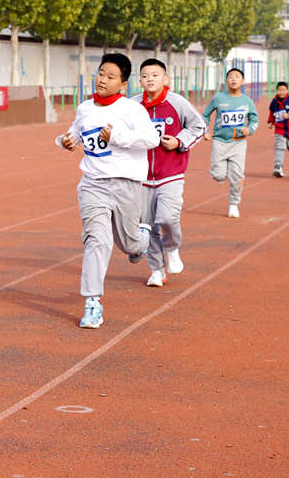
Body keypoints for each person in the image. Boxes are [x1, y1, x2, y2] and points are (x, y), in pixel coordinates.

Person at [57, 53, 160, 328]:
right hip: (92, 183)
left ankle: (142, 238)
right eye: (101, 73)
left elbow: (152, 138)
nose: (103, 79)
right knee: (96, 239)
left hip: (126, 184)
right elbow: (75, 133)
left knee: (127, 243)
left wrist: (117, 137)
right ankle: (93, 302)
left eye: (110, 76)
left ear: (123, 84)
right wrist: (66, 141)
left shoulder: (132, 109)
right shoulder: (85, 108)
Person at [131, 59, 206, 288]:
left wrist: (179, 141)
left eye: (155, 75)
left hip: (170, 174)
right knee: (148, 225)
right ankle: (156, 269)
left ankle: (172, 248)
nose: (150, 79)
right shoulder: (133, 105)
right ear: (140, 80)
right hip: (141, 177)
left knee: (167, 218)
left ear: (166, 79)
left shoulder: (177, 102)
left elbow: (199, 127)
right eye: (145, 75)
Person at [202, 68, 258, 219]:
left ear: (243, 81)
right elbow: (205, 115)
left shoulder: (247, 101)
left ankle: (233, 205)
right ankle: (220, 173)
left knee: (237, 177)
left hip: (238, 143)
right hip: (219, 142)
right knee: (218, 175)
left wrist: (249, 129)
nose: (233, 79)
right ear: (226, 81)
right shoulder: (218, 98)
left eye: (237, 76)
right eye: (230, 77)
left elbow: (254, 120)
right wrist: (205, 130)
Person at [267, 81, 289, 177]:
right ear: (276, 91)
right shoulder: (274, 102)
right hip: (279, 130)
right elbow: (272, 113)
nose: (281, 92)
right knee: (279, 147)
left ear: (287, 90)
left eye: (283, 90)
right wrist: (271, 122)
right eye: (279, 90)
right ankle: (278, 166)